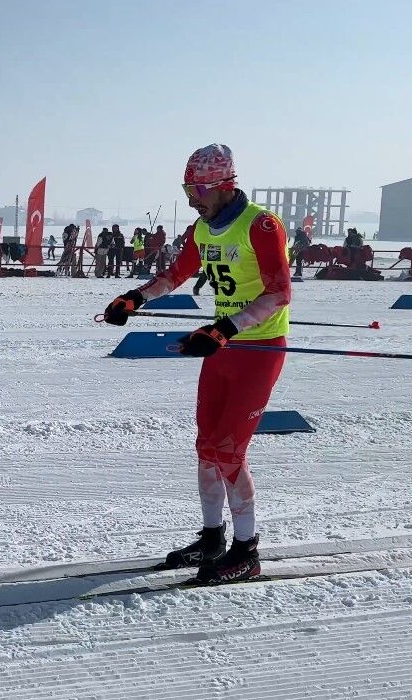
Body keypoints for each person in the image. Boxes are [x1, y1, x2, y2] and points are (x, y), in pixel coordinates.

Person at [102, 143, 289, 585]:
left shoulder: (260, 225)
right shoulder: (203, 228)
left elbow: (280, 292)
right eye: (187, 188)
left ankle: (247, 551)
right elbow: (175, 275)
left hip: (258, 348)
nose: (192, 197)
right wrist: (135, 298)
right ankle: (212, 539)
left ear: (225, 185)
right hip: (224, 347)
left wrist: (226, 327)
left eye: (198, 188)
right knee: (206, 447)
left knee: (229, 451)